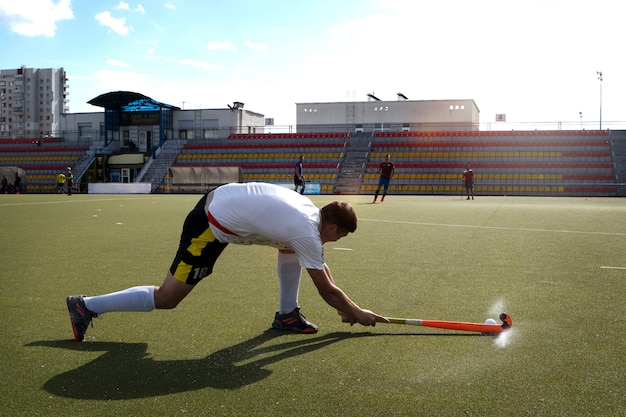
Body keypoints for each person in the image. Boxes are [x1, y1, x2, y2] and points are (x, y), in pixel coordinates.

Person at [67, 182, 389, 342]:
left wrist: (347, 307)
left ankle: (287, 314)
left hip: (222, 203)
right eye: (340, 236)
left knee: (289, 250)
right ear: (332, 226)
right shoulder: (305, 230)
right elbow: (327, 288)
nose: (335, 241)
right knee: (167, 298)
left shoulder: (309, 211)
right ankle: (87, 305)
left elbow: (320, 267)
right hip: (208, 226)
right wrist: (356, 312)